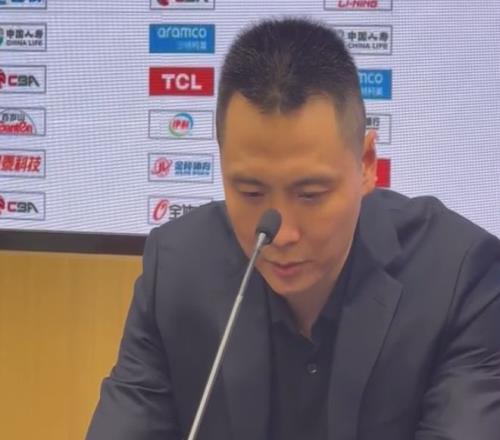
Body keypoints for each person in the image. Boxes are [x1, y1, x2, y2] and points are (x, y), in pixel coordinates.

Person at [86, 18, 500, 440]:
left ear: (366, 164)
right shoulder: (177, 269)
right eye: (250, 192)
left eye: (310, 194)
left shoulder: (460, 278)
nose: (281, 236)